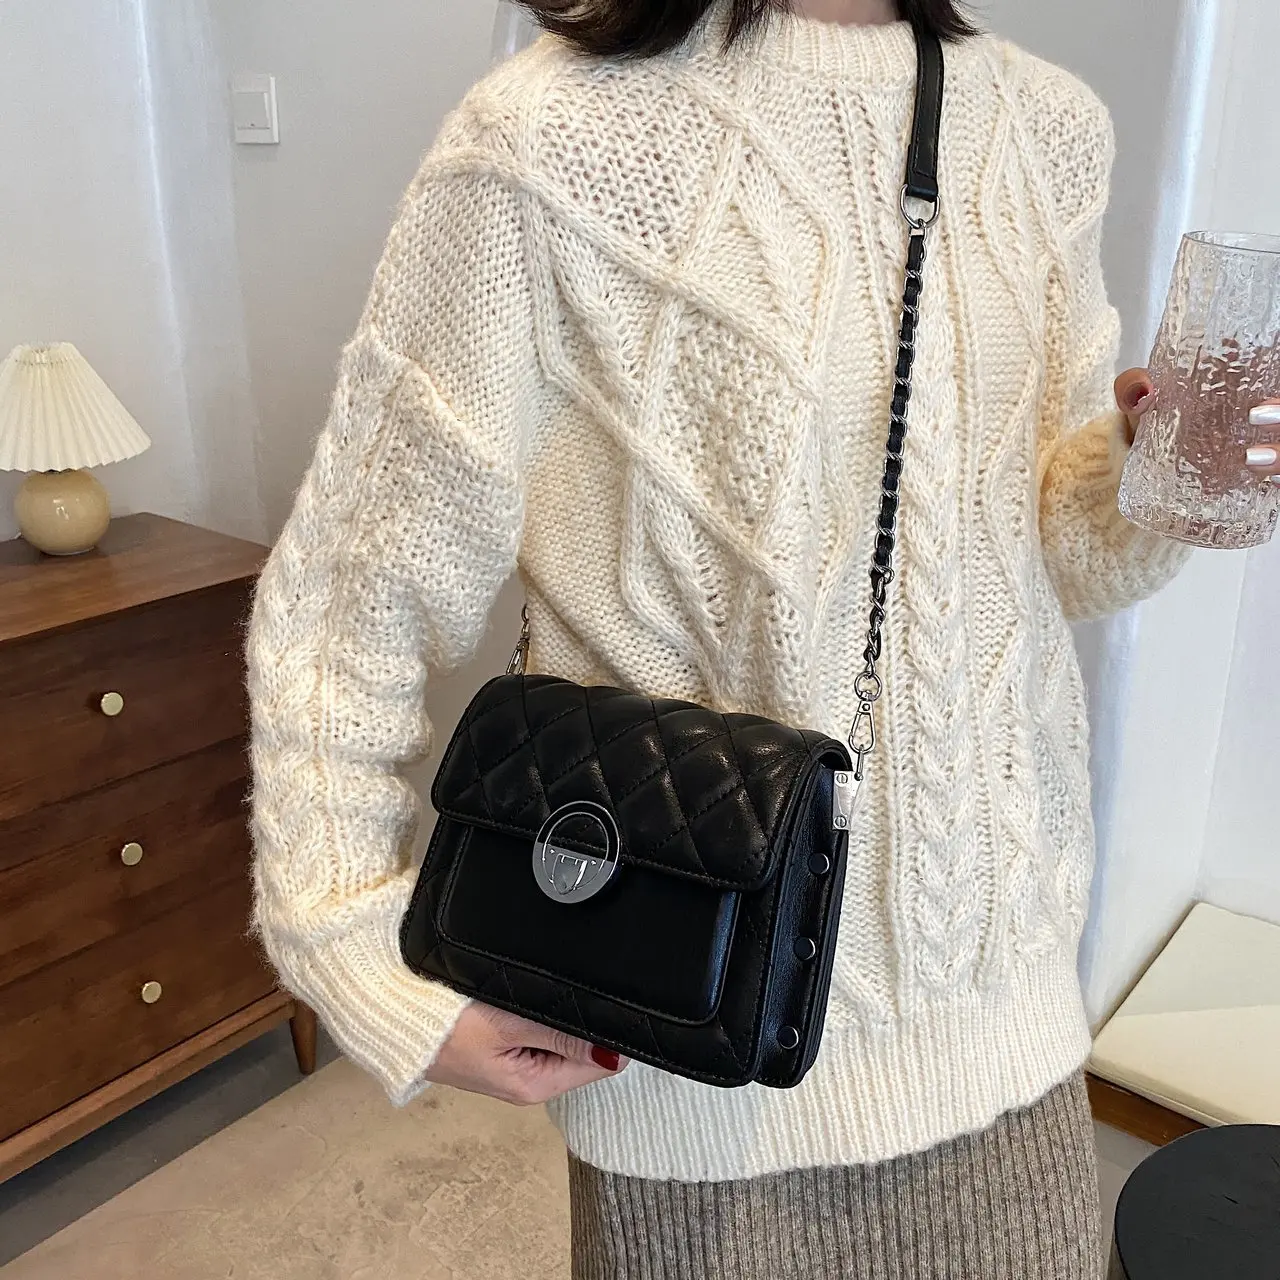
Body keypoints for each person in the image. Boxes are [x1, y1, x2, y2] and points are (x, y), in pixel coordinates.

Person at [245, 1, 1280, 1275]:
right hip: (690, 1047)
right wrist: (351, 940)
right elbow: (350, 595)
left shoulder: (1045, 126)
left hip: (1003, 1019)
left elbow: (1042, 555)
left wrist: (1148, 466)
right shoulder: (544, 137)